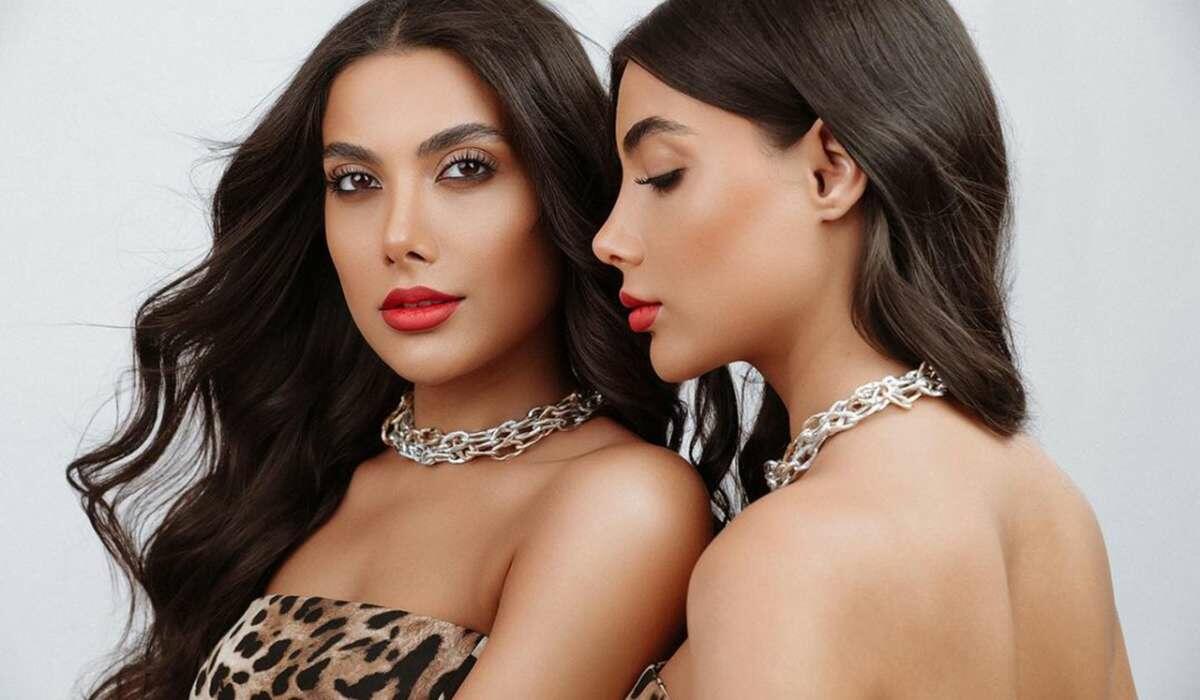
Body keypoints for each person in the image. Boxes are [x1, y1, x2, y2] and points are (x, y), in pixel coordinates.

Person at [68, 1, 719, 698]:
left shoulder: (624, 502)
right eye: (356, 181)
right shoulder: (303, 480)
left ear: (563, 186)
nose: (398, 236)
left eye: (465, 169)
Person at [596, 0, 1137, 697]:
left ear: (830, 171)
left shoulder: (789, 558)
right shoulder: (1052, 507)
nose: (609, 239)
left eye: (661, 175)